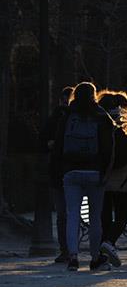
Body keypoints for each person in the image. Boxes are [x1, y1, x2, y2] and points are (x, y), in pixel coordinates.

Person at [54, 83, 115, 271]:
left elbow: (58, 145)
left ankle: (72, 256)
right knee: (95, 217)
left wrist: (60, 170)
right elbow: (108, 148)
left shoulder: (66, 116)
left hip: (71, 171)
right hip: (95, 171)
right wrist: (106, 171)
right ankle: (95, 256)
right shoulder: (102, 117)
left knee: (72, 214)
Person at [97, 90, 127, 269]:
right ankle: (109, 243)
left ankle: (102, 253)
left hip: (102, 176)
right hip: (122, 177)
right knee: (121, 217)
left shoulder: (98, 122)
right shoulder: (125, 123)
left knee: (103, 217)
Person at [43, 85, 75, 262]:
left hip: (59, 171)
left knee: (63, 214)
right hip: (75, 169)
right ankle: (71, 249)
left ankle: (67, 250)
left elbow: (43, 141)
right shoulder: (81, 117)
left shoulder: (55, 118)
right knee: (70, 213)